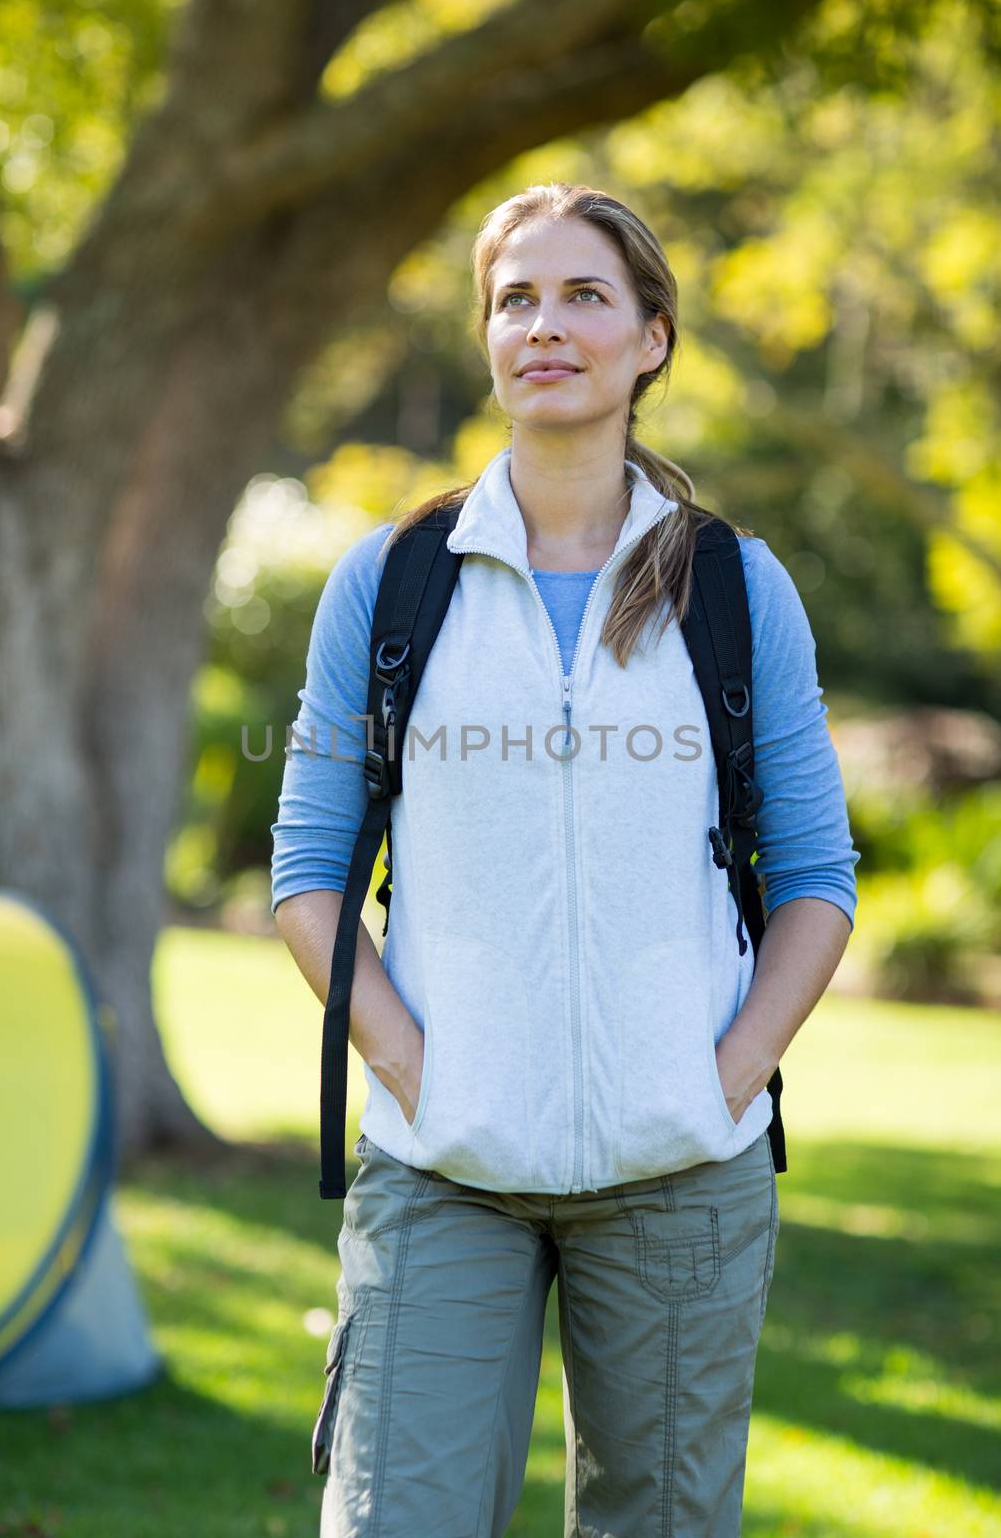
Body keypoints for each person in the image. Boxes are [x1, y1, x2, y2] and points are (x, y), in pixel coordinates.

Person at [271, 182, 859, 1537]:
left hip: (683, 1180)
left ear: (652, 338)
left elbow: (819, 880)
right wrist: (420, 1072)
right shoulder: (391, 580)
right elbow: (308, 880)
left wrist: (718, 1082)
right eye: (515, 298)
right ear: (486, 337)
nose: (546, 325)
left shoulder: (735, 586)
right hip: (440, 1172)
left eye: (584, 295)